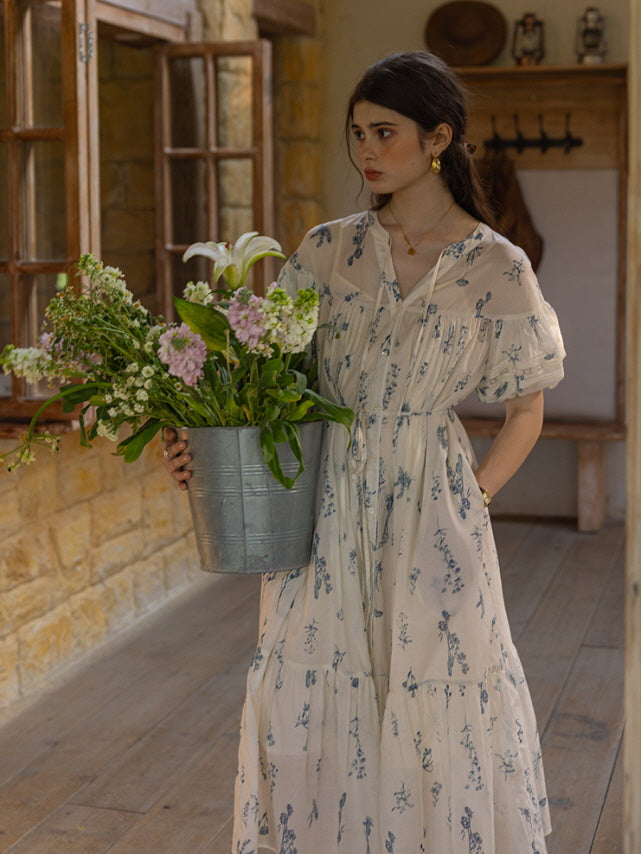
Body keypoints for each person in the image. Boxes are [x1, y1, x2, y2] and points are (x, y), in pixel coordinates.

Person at [163, 51, 564, 854]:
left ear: (439, 138)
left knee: (440, 680)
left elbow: (526, 406)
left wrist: (473, 496)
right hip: (325, 492)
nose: (366, 152)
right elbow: (264, 377)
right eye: (357, 134)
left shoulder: (496, 265)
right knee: (310, 684)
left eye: (384, 132)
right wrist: (201, 446)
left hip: (436, 498)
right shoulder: (324, 249)